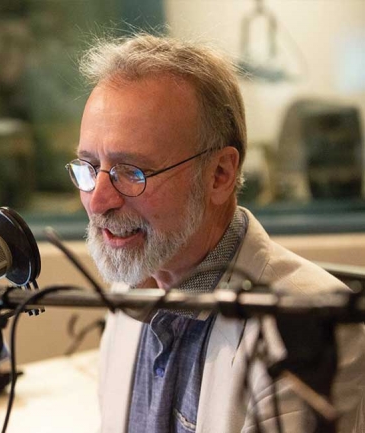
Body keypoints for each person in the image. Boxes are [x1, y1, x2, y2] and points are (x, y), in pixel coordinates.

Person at [64, 34, 365, 433]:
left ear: (219, 175)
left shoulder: (312, 329)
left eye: (131, 172)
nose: (99, 201)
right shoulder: (133, 288)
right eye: (89, 166)